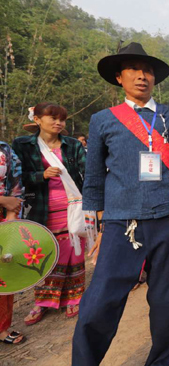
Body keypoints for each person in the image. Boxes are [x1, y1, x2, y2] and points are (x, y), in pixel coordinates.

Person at [71, 20, 169, 366]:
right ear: (119, 77)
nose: (142, 76)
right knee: (99, 303)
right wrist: (96, 228)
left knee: (168, 301)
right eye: (133, 70)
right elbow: (94, 180)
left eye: (147, 71)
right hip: (121, 224)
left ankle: (160, 361)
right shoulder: (103, 120)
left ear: (155, 78)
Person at [12, 103, 87, 325]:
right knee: (45, 251)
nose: (58, 123)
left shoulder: (72, 145)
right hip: (41, 208)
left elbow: (87, 172)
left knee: (75, 250)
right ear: (37, 120)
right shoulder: (23, 145)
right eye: (53, 118)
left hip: (74, 206)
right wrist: (40, 175)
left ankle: (75, 296)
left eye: (62, 119)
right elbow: (16, 179)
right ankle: (44, 301)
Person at [0, 141, 26, 345]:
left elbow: (16, 184)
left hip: (3, 219)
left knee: (4, 274)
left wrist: (11, 213)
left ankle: (2, 327)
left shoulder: (4, 149)